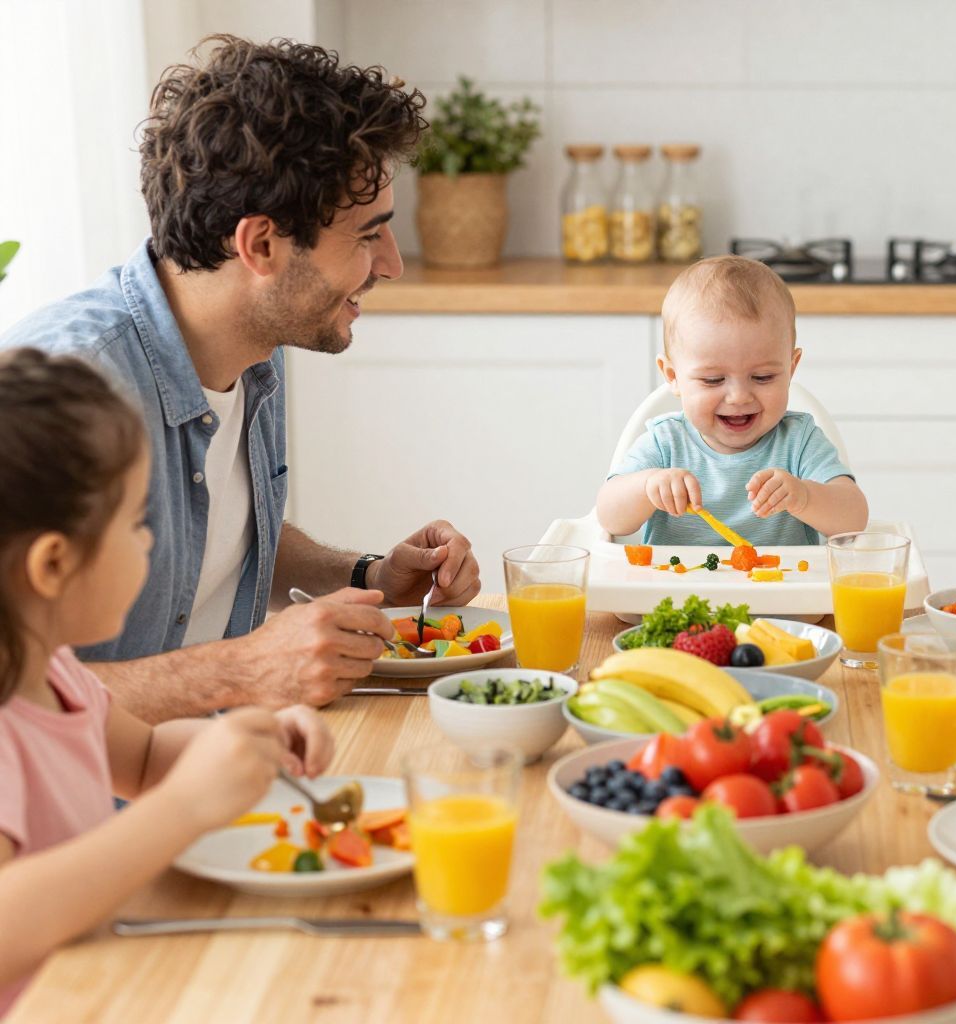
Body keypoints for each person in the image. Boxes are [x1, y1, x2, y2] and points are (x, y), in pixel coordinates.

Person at [0, 37, 481, 722]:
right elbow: (13, 706)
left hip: (221, 764)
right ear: (260, 245)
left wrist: (368, 575)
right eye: (369, 235)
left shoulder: (257, 345)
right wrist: (245, 671)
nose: (394, 264)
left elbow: (212, 538)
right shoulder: (69, 391)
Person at [0, 349, 332, 1013]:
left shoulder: (55, 671)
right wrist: (183, 808)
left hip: (104, 986)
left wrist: (247, 741)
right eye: (135, 523)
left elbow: (146, 759)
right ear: (54, 563)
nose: (152, 542)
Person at [597, 255, 868, 544]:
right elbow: (609, 517)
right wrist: (648, 486)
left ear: (791, 368)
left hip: (781, 588)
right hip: (678, 588)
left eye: (762, 377)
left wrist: (804, 497)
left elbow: (853, 520)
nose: (739, 397)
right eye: (713, 380)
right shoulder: (665, 443)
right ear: (673, 375)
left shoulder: (799, 443)